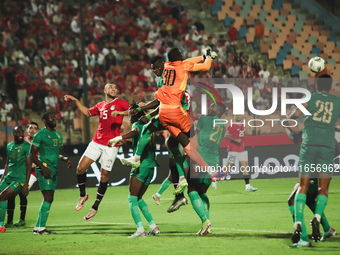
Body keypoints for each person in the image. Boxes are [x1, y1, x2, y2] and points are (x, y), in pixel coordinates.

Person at [123, 48, 216, 194]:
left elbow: (186, 61)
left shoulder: (167, 65)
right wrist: (208, 56)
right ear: (179, 58)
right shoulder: (183, 66)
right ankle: (205, 168)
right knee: (191, 139)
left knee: (148, 129)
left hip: (163, 114)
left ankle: (136, 157)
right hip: (177, 111)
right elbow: (205, 66)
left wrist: (201, 55)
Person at [118, 55, 189, 211]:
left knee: (147, 129)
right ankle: (181, 189)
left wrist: (143, 110)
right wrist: (148, 114)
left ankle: (137, 158)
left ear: (161, 65)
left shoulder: (168, 78)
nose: (154, 71)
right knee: (172, 148)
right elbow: (162, 103)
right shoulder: (168, 77)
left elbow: (160, 102)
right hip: (180, 115)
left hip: (177, 115)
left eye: (155, 68)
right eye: (153, 69)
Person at [64, 82, 130, 221]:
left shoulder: (121, 103)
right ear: (105, 90)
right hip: (96, 142)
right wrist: (76, 100)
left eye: (115, 87)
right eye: (111, 87)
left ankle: (95, 207)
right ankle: (83, 195)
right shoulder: (100, 105)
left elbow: (132, 111)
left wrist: (120, 113)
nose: (114, 89)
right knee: (80, 168)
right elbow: (87, 113)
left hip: (111, 144)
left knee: (104, 175)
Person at [288, 74, 340, 247]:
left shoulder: (309, 97)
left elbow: (293, 116)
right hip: (327, 147)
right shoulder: (337, 101)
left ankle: (298, 224)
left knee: (302, 186)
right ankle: (317, 218)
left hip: (309, 145)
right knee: (323, 188)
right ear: (331, 86)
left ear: (316, 86)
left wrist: (291, 123)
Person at [108, 103, 160, 238]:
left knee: (132, 198)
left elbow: (135, 132)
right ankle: (153, 227)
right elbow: (141, 142)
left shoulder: (137, 124)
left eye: (130, 113)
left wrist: (120, 137)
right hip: (150, 166)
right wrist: (128, 142)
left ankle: (140, 230)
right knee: (139, 198)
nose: (128, 116)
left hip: (141, 165)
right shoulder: (149, 125)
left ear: (135, 114)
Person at [285, 127, 338, 247]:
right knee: (308, 198)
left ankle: (303, 239)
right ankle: (327, 229)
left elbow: (294, 137)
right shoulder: (324, 131)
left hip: (314, 172)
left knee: (293, 200)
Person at [188, 103, 226, 235]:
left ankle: (205, 220)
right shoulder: (223, 126)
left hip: (201, 160)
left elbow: (194, 136)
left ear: (219, 111)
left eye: (212, 107)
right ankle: (207, 226)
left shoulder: (204, 120)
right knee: (202, 191)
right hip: (214, 161)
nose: (209, 108)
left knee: (192, 190)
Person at [30, 112, 71, 234]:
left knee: (49, 198)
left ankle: (37, 228)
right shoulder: (40, 135)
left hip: (54, 169)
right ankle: (41, 228)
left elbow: (61, 152)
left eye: (54, 118)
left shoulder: (58, 135)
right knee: (48, 197)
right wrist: (42, 167)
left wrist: (66, 159)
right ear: (44, 120)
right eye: (51, 118)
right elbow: (31, 154)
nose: (54, 120)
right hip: (44, 168)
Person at [6, 122, 39, 228]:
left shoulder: (38, 143)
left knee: (21, 191)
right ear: (27, 130)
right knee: (10, 193)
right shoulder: (21, 140)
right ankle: (10, 220)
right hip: (18, 172)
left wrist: (25, 167)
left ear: (37, 131)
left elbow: (38, 161)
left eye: (35, 128)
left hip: (32, 172)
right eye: (30, 128)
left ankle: (22, 219)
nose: (32, 130)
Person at [0, 126, 31, 233]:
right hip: (8, 177)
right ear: (13, 133)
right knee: (2, 197)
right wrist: (2, 179)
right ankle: (6, 223)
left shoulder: (27, 146)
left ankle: (1, 226)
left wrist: (26, 185)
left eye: (22, 132)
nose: (21, 134)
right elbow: (8, 164)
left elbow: (28, 166)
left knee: (2, 197)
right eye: (18, 132)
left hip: (19, 179)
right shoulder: (9, 146)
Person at [224, 115, 257, 192]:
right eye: (236, 115)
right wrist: (235, 139)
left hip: (241, 150)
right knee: (227, 169)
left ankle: (247, 186)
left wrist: (242, 144)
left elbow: (242, 137)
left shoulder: (243, 125)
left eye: (239, 114)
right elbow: (226, 135)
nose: (238, 116)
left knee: (245, 168)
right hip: (233, 150)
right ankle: (214, 180)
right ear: (234, 116)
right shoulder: (231, 125)